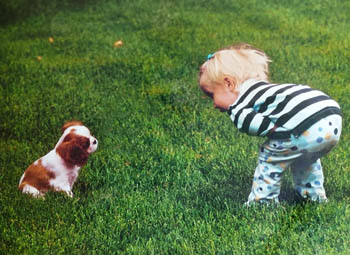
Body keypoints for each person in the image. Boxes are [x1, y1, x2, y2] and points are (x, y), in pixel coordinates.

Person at [198, 43, 342, 205]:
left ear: (228, 83)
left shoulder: (240, 103)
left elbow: (250, 123)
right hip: (331, 117)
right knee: (305, 156)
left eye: (212, 95)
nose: (214, 105)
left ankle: (262, 202)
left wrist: (275, 131)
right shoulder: (264, 91)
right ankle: (312, 195)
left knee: (270, 156)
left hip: (305, 125)